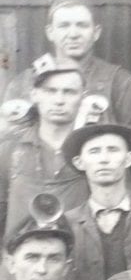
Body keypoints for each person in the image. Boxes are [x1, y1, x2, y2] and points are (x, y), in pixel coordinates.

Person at [4, 0, 131, 132]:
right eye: (64, 26)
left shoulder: (120, 82)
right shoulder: (24, 83)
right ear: (50, 32)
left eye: (82, 25)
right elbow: (7, 140)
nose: (73, 34)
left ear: (96, 32)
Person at [60, 97, 131, 280]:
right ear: (79, 162)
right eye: (94, 151)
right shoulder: (67, 224)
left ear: (129, 159)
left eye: (113, 150)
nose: (104, 159)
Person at [0, 57, 88, 240]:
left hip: (79, 259)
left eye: (69, 92)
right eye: (50, 91)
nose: (59, 100)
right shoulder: (9, 150)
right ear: (34, 95)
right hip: (21, 261)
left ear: (83, 97)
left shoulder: (94, 149)